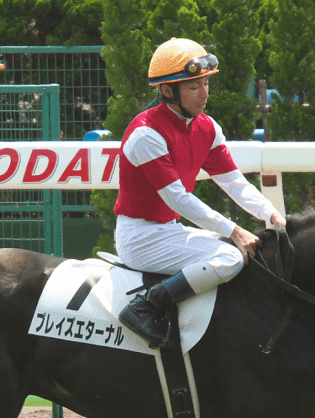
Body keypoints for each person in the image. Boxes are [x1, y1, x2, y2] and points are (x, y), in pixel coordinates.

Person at [114, 37, 286, 349]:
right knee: (229, 257)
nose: (204, 94)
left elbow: (234, 182)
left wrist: (272, 214)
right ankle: (146, 307)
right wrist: (233, 230)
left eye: (205, 84)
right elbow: (178, 199)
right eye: (194, 87)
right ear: (168, 91)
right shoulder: (145, 134)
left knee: (253, 254)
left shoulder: (206, 127)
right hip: (139, 238)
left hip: (168, 231)